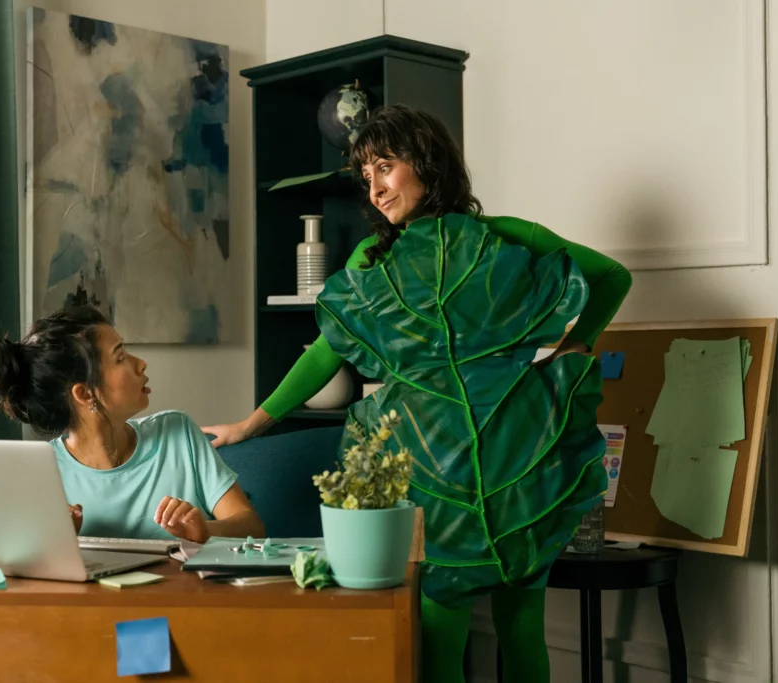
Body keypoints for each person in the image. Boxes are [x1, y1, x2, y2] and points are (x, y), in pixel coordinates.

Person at [202, 104, 632, 683]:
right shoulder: (372, 263)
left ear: (427, 161)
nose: (376, 188)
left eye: (386, 166)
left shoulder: (501, 239)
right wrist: (251, 424)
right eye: (365, 175)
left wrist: (575, 347)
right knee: (437, 634)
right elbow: (325, 352)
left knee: (523, 630)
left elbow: (611, 277)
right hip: (430, 465)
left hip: (517, 453)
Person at [0, 306, 264, 544]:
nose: (140, 363)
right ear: (85, 393)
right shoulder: (43, 473)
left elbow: (252, 526)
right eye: (120, 357)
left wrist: (206, 531)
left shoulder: (178, 432)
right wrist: (53, 540)